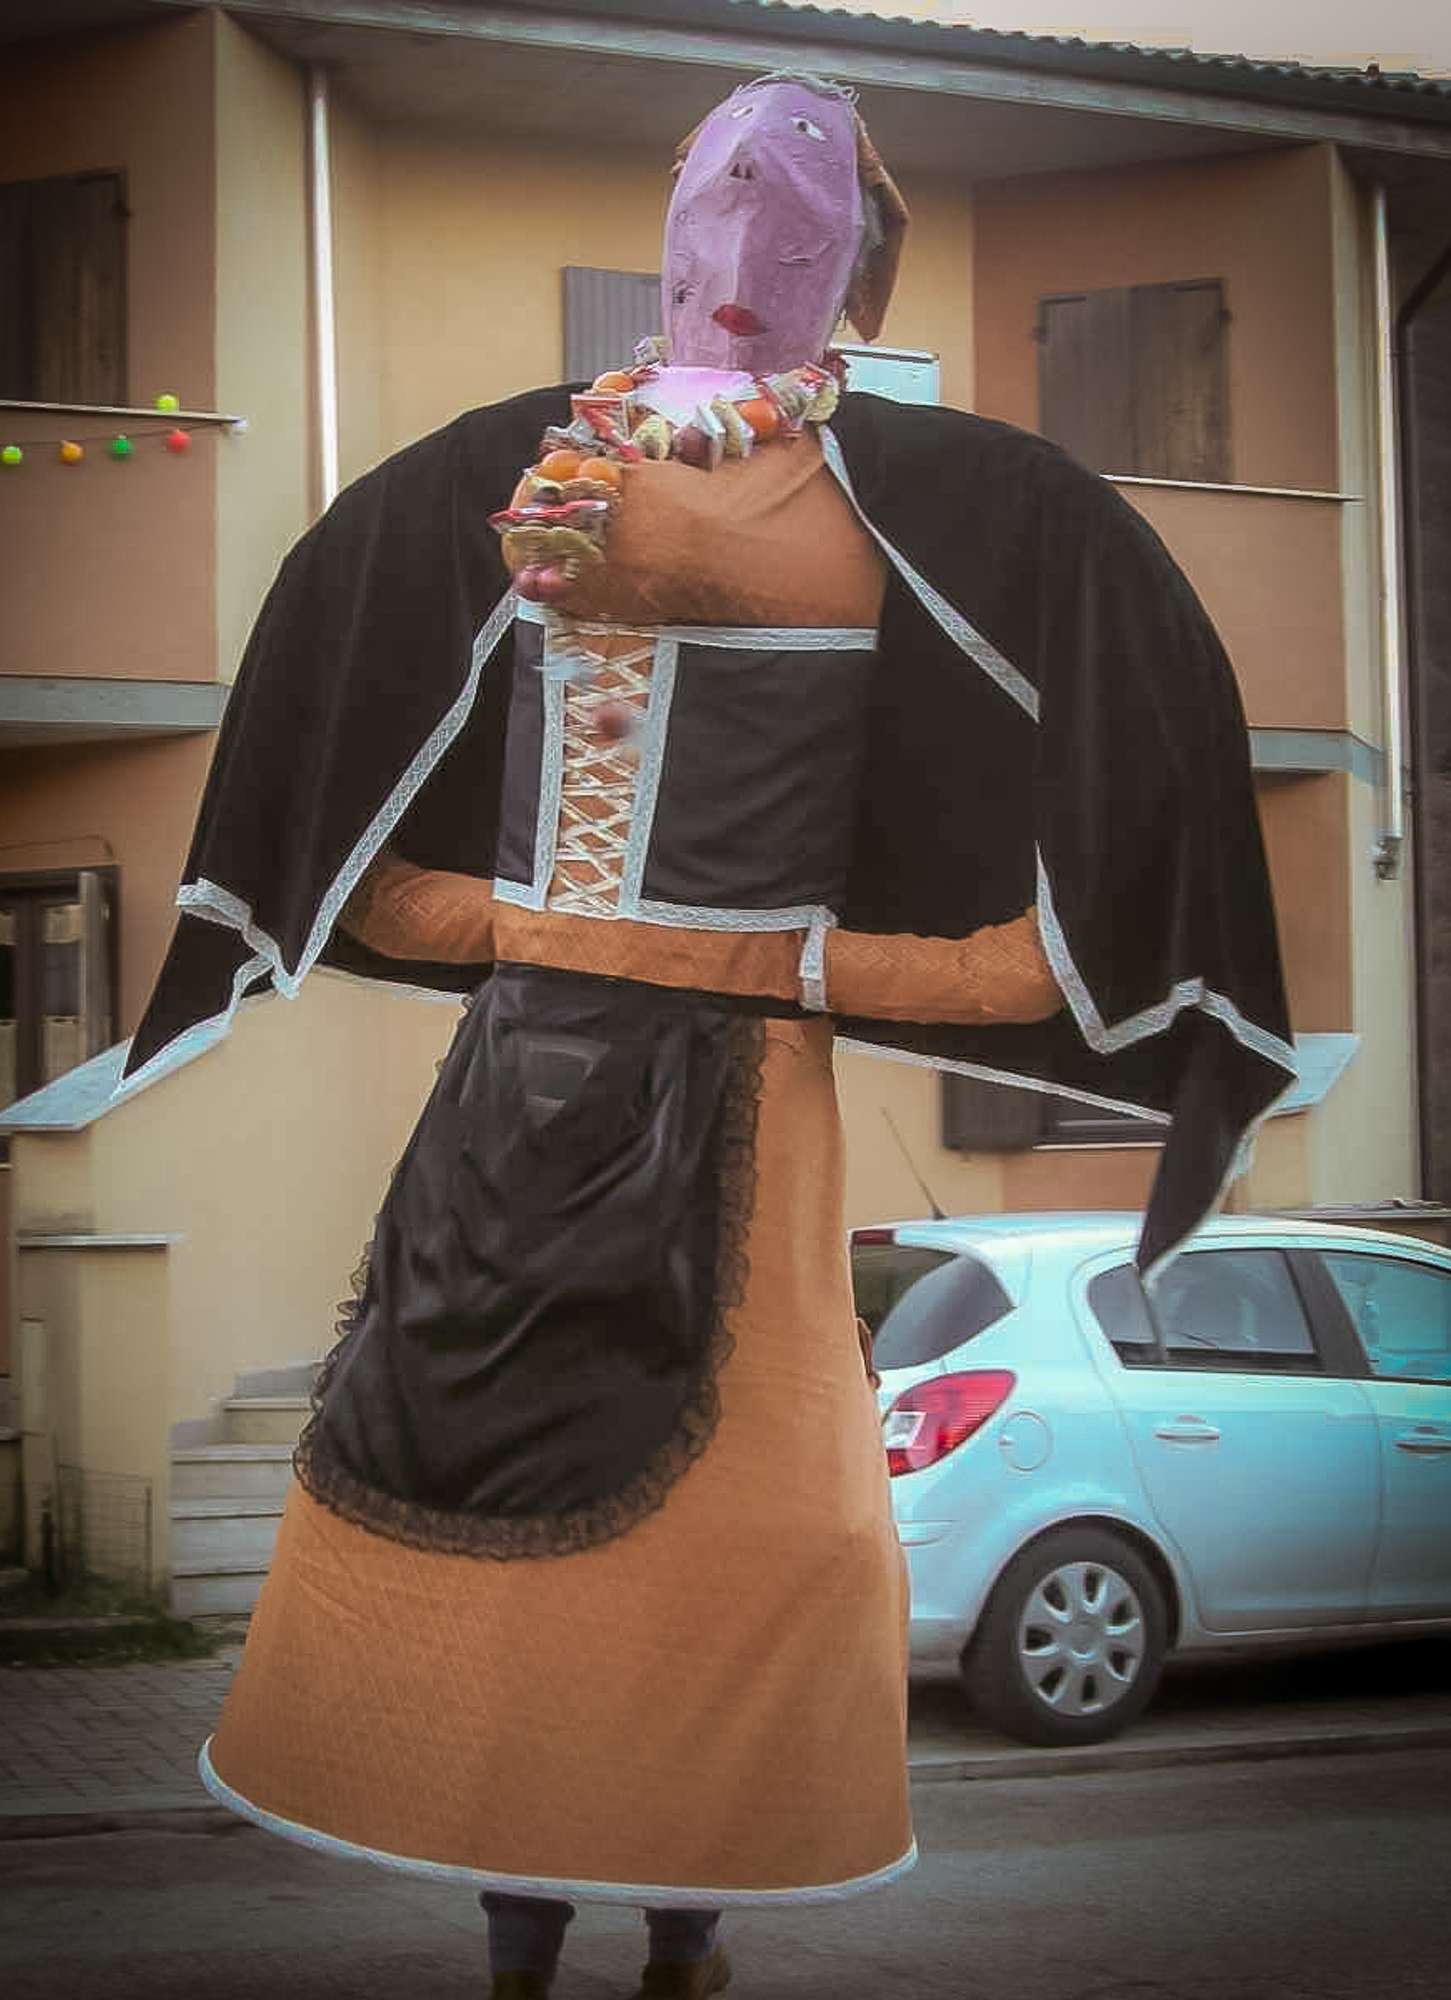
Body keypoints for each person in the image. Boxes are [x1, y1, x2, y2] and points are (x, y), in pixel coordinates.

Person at [123, 73, 1294, 1998]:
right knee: (477, 1498)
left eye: (795, 209)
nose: (745, 239)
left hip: (743, 1103)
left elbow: (1037, 966)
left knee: (742, 1540)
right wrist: (579, 934)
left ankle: (682, 1940)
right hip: (515, 1108)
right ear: (664, 225)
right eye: (715, 194)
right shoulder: (502, 476)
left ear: (855, 267)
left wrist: (777, 965)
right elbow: (360, 886)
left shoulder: (952, 511)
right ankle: (532, 1938)